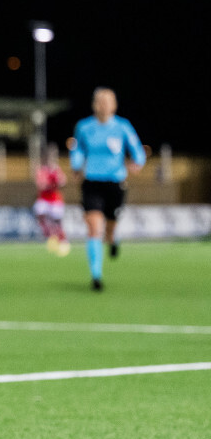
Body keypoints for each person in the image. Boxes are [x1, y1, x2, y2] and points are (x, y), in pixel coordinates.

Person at [69, 88, 146, 291]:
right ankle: (96, 276)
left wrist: (138, 161)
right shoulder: (84, 127)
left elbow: (136, 148)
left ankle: (113, 239)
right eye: (100, 101)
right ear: (94, 104)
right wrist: (76, 165)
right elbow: (77, 149)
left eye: (107, 101)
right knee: (94, 228)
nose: (103, 105)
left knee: (109, 230)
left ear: (114, 105)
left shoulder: (122, 126)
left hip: (115, 182)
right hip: (92, 182)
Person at [33, 143, 70, 256]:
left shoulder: (56, 169)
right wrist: (52, 184)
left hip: (55, 199)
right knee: (40, 213)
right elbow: (41, 185)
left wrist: (55, 183)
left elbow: (63, 182)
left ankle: (63, 240)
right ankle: (50, 236)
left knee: (57, 222)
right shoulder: (41, 170)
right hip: (44, 198)